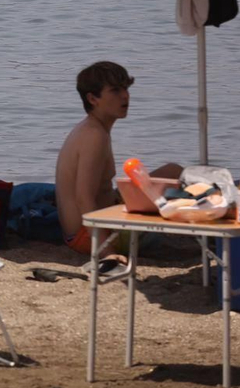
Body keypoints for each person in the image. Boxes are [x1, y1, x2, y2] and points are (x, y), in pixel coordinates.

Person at [56, 61, 179, 256]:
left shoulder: (92, 129)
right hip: (87, 236)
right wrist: (107, 252)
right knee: (176, 191)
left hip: (85, 229)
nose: (125, 96)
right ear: (92, 98)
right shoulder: (94, 136)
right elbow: (83, 197)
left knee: (173, 171)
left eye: (125, 88)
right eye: (115, 90)